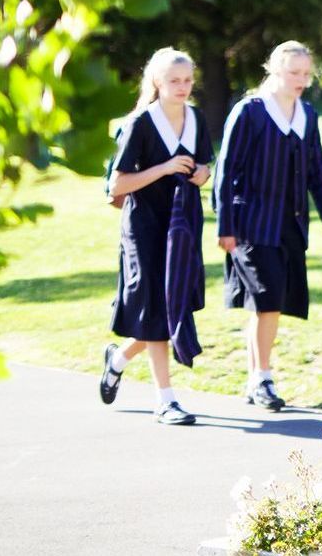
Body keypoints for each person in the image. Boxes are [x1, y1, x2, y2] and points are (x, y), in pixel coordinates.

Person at [213, 40, 322, 411]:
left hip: (290, 225)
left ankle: (255, 377)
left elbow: (318, 173)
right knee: (267, 299)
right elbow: (226, 173)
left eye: (306, 73)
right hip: (250, 225)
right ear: (274, 70)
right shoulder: (250, 112)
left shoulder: (308, 115)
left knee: (267, 303)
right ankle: (263, 379)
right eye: (294, 72)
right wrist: (224, 225)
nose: (301, 79)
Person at [99, 47, 213, 425]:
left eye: (187, 80)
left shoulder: (196, 118)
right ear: (157, 83)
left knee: (170, 308)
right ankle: (166, 400)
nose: (183, 87)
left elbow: (205, 164)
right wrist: (164, 168)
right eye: (174, 81)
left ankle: (117, 360)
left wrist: (201, 173)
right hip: (145, 227)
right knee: (157, 310)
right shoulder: (141, 123)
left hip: (182, 226)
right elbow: (118, 183)